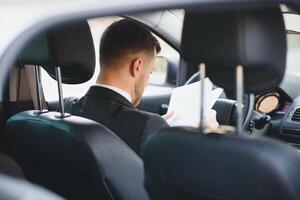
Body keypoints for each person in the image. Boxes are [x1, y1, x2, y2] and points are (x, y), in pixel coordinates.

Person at [68, 19, 219, 155]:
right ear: (137, 66)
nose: (148, 81)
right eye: (151, 72)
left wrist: (158, 125)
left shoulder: (68, 109)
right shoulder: (146, 126)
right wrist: (206, 137)